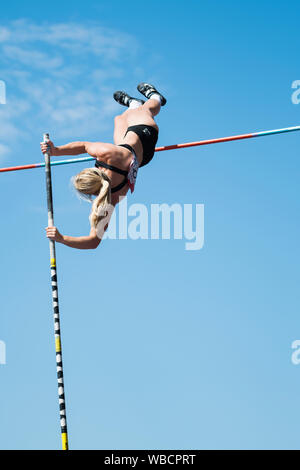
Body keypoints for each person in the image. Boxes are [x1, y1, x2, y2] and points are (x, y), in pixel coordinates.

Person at [40, 83, 166, 249]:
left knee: (119, 120)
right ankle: (155, 97)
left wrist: (62, 238)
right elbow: (84, 146)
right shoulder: (107, 153)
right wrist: (56, 151)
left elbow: (93, 242)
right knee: (144, 111)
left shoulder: (107, 200)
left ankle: (133, 103)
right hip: (145, 134)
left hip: (140, 157)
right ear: (93, 172)